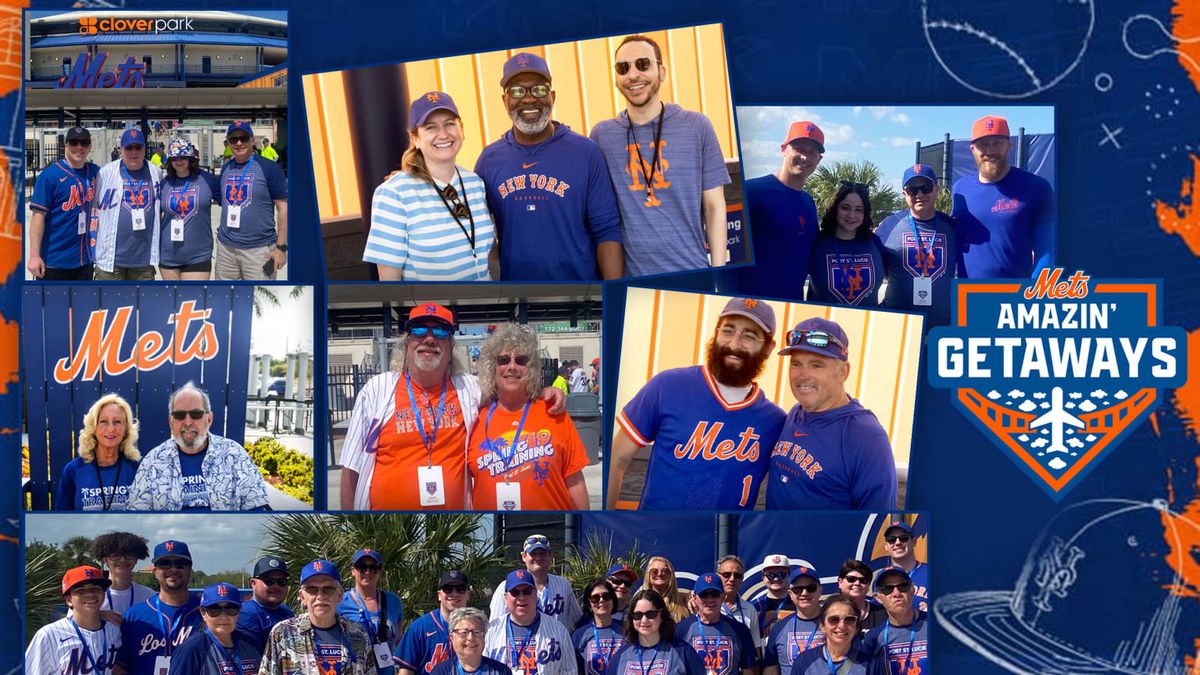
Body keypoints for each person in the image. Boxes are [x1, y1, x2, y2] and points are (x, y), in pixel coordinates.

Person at [341, 303, 565, 510]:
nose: (429, 339)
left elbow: (510, 390)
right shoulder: (377, 390)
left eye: (440, 333)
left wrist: (540, 393)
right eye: (419, 331)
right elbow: (351, 468)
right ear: (407, 343)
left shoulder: (469, 389)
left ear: (450, 347)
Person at [608, 297, 786, 510]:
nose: (734, 344)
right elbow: (617, 460)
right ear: (716, 332)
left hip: (726, 540)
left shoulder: (774, 421)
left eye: (749, 336)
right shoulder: (668, 386)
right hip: (654, 536)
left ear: (768, 348)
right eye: (727, 331)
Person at [589, 34, 731, 277]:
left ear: (661, 71)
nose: (633, 75)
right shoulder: (602, 136)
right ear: (616, 78)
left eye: (643, 64)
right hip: (633, 281)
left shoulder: (697, 126)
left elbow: (714, 206)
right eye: (623, 68)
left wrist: (717, 272)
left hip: (692, 271)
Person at [474, 52, 623, 281]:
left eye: (539, 89)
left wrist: (614, 296)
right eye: (516, 91)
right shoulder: (489, 160)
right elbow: (472, 231)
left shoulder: (585, 152)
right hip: (516, 300)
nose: (529, 98)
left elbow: (607, 230)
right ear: (504, 100)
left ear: (552, 96)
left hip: (579, 298)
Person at [765, 318, 897, 510]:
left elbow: (877, 525)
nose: (803, 375)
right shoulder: (796, 412)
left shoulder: (867, 436)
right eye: (796, 364)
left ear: (843, 372)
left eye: (816, 365)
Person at [365, 91, 496, 281]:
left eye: (449, 124)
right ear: (414, 138)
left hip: (486, 307)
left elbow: (485, 250)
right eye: (431, 127)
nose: (443, 134)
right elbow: (389, 281)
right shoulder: (394, 193)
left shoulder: (475, 183)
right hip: (431, 310)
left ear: (462, 130)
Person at [468, 323, 590, 510]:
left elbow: (575, 481)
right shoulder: (474, 418)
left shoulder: (554, 412)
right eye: (503, 360)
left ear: (531, 368)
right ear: (492, 367)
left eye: (521, 360)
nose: (512, 366)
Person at [126, 381, 270, 511]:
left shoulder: (235, 455)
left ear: (209, 419)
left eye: (196, 414)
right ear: (171, 422)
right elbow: (136, 512)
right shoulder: (152, 462)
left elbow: (256, 511)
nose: (188, 422)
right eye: (179, 415)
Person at [726, 121, 824, 299]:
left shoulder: (808, 203)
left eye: (812, 152)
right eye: (799, 148)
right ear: (783, 149)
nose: (804, 157)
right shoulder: (750, 193)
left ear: (819, 159)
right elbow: (726, 260)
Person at [953, 114, 1055, 278]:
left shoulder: (1036, 187)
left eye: (997, 143)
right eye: (983, 144)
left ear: (1009, 145)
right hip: (967, 297)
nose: (990, 151)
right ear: (972, 149)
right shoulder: (960, 189)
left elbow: (1047, 254)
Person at [875, 163, 960, 326]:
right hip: (896, 326)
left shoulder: (953, 227)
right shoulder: (888, 226)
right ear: (904, 194)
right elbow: (876, 266)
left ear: (937, 189)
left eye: (926, 187)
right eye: (912, 190)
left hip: (941, 328)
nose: (920, 194)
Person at [261, 559, 377, 675]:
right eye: (312, 590)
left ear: (340, 594)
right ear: (302, 597)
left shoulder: (358, 634)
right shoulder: (282, 633)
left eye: (328, 589)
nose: (320, 596)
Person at [215, 121, 288, 280]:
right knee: (226, 300)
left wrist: (281, 248)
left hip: (259, 251)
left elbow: (284, 208)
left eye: (244, 138)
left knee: (260, 300)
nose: (239, 143)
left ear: (252, 140)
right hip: (226, 250)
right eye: (234, 139)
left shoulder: (269, 168)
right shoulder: (226, 168)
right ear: (228, 142)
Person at [118, 540, 204, 675]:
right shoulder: (134, 616)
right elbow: (120, 667)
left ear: (190, 570)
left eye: (180, 564)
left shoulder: (208, 613)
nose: (173, 569)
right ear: (155, 571)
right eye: (165, 564)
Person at [28, 125, 99, 280]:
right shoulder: (50, 176)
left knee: (82, 305)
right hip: (53, 262)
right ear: (65, 145)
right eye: (74, 142)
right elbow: (38, 217)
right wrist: (34, 255)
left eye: (84, 143)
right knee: (50, 304)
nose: (79, 147)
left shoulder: (95, 172)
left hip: (84, 261)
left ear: (89, 147)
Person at [92, 127, 163, 280]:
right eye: (129, 147)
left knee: (142, 304)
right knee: (106, 303)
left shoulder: (155, 172)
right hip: (110, 260)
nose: (134, 152)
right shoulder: (105, 173)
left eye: (138, 147)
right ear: (121, 150)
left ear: (144, 149)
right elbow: (94, 206)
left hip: (143, 262)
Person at [25, 566, 122, 675]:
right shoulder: (49, 635)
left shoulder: (114, 631)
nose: (90, 594)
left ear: (103, 594)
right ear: (69, 600)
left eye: (95, 588)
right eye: (80, 591)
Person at [56, 393, 141, 511]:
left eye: (117, 421)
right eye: (103, 421)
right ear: (93, 428)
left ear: (126, 429)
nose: (111, 428)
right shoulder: (73, 470)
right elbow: (62, 518)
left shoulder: (137, 469)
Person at [483, 569, 577, 675]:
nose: (521, 597)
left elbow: (570, 671)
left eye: (527, 591)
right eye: (515, 592)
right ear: (506, 597)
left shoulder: (558, 629)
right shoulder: (491, 630)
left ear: (535, 594)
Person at [806, 182, 885, 307]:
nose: (851, 215)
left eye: (858, 210)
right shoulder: (817, 242)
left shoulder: (875, 243)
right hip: (822, 324)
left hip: (866, 324)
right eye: (845, 208)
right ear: (835, 208)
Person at [488, 534, 583, 631]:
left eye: (542, 553)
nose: (538, 557)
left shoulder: (563, 584)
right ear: (524, 556)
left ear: (550, 556)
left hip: (556, 642)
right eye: (533, 553)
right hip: (520, 643)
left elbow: (577, 621)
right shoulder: (506, 586)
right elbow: (495, 627)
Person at [158, 138, 219, 280]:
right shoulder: (163, 184)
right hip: (169, 254)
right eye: (175, 158)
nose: (179, 161)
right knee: (171, 301)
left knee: (192, 299)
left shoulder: (207, 179)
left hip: (198, 255)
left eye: (183, 157)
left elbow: (229, 203)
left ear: (191, 158)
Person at [170, 582, 264, 674]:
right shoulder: (191, 650)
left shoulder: (252, 642)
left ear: (239, 611)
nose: (223, 616)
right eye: (214, 609)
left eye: (231, 609)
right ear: (203, 612)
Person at [336, 547, 404, 674]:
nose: (367, 572)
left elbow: (399, 641)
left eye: (373, 568)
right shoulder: (340, 603)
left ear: (379, 572)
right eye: (362, 567)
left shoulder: (393, 601)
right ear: (353, 571)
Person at [607, 589, 705, 675]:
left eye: (651, 614)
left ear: (661, 615)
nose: (644, 620)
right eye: (638, 615)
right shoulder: (620, 656)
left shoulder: (683, 652)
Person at [677, 573, 758, 675]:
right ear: (694, 597)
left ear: (723, 596)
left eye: (715, 594)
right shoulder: (681, 630)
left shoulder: (740, 630)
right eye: (704, 594)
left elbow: (749, 670)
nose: (710, 599)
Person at [397, 570, 472, 675]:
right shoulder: (420, 627)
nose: (454, 593)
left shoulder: (477, 628)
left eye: (460, 589)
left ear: (468, 594)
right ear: (439, 595)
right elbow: (406, 670)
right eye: (448, 589)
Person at [790, 595, 884, 675]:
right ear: (823, 626)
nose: (841, 626)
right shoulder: (804, 661)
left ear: (856, 627)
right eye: (834, 619)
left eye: (849, 620)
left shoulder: (871, 663)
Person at [861, 567, 927, 675]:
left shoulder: (935, 624)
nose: (896, 593)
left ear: (912, 590)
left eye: (903, 586)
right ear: (878, 598)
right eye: (887, 589)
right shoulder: (873, 638)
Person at [761, 567, 823, 675]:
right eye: (797, 589)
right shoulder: (779, 627)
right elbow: (771, 670)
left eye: (811, 588)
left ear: (820, 591)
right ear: (790, 594)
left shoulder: (835, 623)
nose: (804, 593)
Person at [90, 531, 155, 624]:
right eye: (115, 555)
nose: (123, 560)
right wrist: (97, 615)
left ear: (136, 559)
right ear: (105, 560)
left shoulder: (149, 596)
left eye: (129, 555)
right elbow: (72, 623)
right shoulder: (91, 595)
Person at [429, 607, 510, 675]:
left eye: (476, 632)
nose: (470, 638)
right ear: (452, 638)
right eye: (464, 633)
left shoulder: (501, 671)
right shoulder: (441, 672)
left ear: (484, 636)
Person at [238, 555, 295, 651]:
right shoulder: (245, 614)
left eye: (282, 581)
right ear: (253, 583)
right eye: (269, 581)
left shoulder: (287, 612)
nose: (276, 586)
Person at [572, 579, 625, 675]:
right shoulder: (580, 635)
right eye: (595, 598)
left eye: (606, 596)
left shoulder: (626, 631)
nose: (601, 601)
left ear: (613, 600)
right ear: (589, 604)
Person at [880, 522, 928, 613]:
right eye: (891, 540)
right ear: (886, 546)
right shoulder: (882, 577)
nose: (897, 543)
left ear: (914, 542)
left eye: (903, 538)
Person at [713, 556, 760, 649]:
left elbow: (756, 646)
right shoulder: (706, 606)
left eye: (737, 576)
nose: (732, 579)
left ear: (742, 579)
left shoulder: (750, 609)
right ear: (717, 576)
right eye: (727, 574)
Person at [750, 554, 794, 637]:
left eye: (781, 575)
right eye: (771, 575)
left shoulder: (798, 603)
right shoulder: (755, 606)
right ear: (763, 576)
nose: (776, 579)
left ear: (789, 575)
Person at [835, 561, 886, 632]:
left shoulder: (883, 614)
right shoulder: (829, 613)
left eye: (863, 580)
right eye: (851, 579)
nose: (857, 583)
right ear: (840, 582)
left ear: (868, 586)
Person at [643, 557, 690, 623]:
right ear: (648, 575)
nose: (659, 574)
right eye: (654, 571)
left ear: (671, 575)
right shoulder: (640, 602)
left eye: (665, 571)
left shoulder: (684, 601)